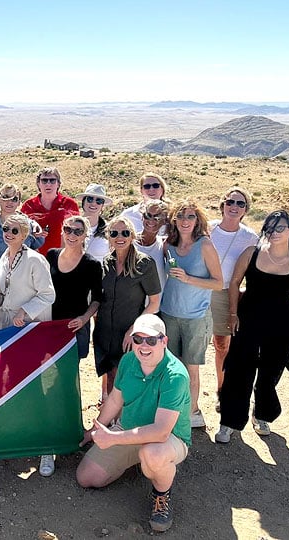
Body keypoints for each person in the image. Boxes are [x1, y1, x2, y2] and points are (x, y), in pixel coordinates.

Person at [77, 314, 191, 533]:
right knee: (87, 477)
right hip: (129, 429)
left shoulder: (175, 375)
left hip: (168, 438)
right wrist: (95, 430)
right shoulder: (129, 361)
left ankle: (161, 495)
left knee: (153, 454)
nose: (143, 346)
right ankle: (139, 462)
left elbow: (160, 432)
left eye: (151, 340)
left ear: (164, 341)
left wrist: (112, 438)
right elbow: (115, 399)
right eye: (138, 339)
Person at [215, 210, 289, 443]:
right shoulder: (251, 253)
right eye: (270, 228)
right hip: (247, 318)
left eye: (280, 228)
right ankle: (229, 421)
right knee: (239, 368)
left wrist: (275, 297)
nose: (274, 232)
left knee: (271, 370)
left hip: (281, 323)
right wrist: (233, 313)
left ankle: (262, 414)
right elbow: (235, 282)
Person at [160, 200, 223, 429]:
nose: (185, 221)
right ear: (173, 220)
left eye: (190, 217)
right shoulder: (169, 246)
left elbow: (218, 283)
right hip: (169, 314)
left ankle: (190, 414)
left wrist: (188, 279)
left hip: (195, 316)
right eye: (181, 216)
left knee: (190, 367)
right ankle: (172, 411)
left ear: (198, 221)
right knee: (170, 367)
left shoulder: (204, 245)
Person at [93, 216, 162, 401]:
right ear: (108, 237)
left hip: (129, 333)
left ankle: (125, 421)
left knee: (127, 377)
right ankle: (111, 420)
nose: (119, 237)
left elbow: (154, 303)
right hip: (105, 331)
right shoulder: (106, 262)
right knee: (110, 374)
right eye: (114, 233)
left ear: (132, 236)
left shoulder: (145, 264)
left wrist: (134, 330)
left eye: (125, 233)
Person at [208, 187, 259, 412]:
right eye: (230, 202)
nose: (234, 207)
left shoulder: (250, 237)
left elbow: (255, 269)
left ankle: (222, 390)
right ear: (222, 205)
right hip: (198, 290)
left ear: (245, 210)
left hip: (226, 292)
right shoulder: (207, 228)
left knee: (222, 344)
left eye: (240, 204)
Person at [46, 215, 102, 360]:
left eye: (78, 232)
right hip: (52, 324)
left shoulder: (92, 264)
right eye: (68, 230)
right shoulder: (51, 255)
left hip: (76, 326)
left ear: (85, 235)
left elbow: (97, 299)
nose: (72, 235)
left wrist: (84, 319)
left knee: (70, 374)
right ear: (62, 231)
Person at [0, 213, 55, 331]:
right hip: (3, 323)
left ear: (24, 235)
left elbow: (48, 294)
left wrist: (24, 311)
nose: (9, 233)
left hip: (27, 325)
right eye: (6, 229)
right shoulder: (4, 257)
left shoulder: (35, 259)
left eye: (15, 231)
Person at [20, 167, 80, 255]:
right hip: (34, 258)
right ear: (38, 184)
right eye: (44, 180)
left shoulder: (69, 205)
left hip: (61, 258)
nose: (48, 184)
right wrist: (32, 234)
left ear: (58, 184)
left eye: (52, 180)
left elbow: (77, 232)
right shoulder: (28, 206)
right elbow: (19, 232)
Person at [0, 183, 45, 265]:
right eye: (5, 197)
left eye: (14, 199)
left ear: (19, 202)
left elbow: (35, 254)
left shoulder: (29, 224)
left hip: (25, 275)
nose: (9, 202)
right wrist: (8, 266)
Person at [135, 199, 169, 291]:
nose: (151, 221)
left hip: (158, 303)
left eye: (157, 218)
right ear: (142, 217)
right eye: (147, 216)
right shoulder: (128, 242)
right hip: (132, 304)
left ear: (165, 221)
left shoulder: (164, 245)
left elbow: (174, 267)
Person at [76, 184, 112, 261]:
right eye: (90, 199)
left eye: (99, 201)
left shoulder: (110, 230)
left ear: (102, 206)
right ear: (83, 201)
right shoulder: (70, 227)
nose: (93, 203)